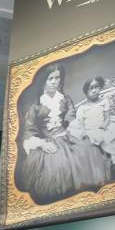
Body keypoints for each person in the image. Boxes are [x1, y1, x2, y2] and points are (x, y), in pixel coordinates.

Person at [15, 64, 107, 204]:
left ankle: (87, 199)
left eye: (57, 78)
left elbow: (71, 115)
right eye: (50, 78)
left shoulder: (64, 98)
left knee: (89, 149)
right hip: (48, 141)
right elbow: (28, 130)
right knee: (57, 165)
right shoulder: (36, 106)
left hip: (67, 135)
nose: (54, 82)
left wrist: (69, 124)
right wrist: (41, 144)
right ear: (43, 81)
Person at [69, 76, 115, 167]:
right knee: (100, 139)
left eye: (97, 87)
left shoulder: (104, 102)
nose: (94, 90)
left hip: (102, 126)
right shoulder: (83, 108)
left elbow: (107, 117)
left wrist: (104, 124)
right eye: (91, 88)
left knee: (109, 137)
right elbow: (81, 123)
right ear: (86, 92)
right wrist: (83, 131)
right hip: (90, 129)